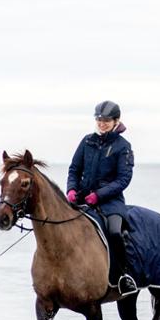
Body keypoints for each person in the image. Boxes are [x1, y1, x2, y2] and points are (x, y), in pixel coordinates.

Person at [67, 100, 138, 296]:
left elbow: (123, 179)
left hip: (111, 202)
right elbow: (74, 169)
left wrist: (98, 195)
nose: (102, 124)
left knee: (115, 232)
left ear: (116, 121)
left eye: (106, 120)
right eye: (99, 120)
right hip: (82, 198)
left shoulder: (123, 146)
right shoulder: (87, 141)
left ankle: (123, 276)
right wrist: (72, 190)